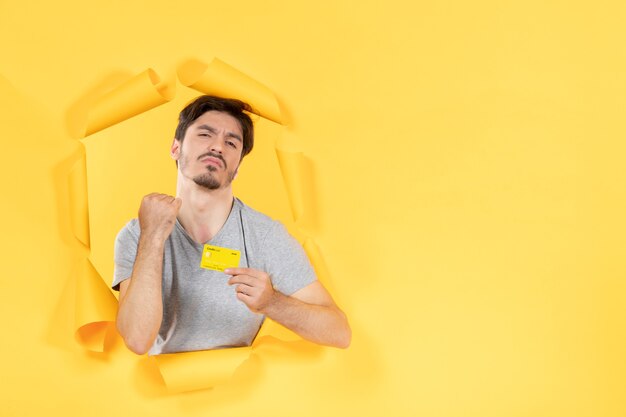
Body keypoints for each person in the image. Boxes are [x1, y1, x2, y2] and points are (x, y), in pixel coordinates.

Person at [113, 95, 351, 355]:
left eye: (231, 142)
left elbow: (339, 332)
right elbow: (136, 339)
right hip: (160, 390)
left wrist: (271, 303)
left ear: (237, 167)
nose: (217, 147)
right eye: (205, 134)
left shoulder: (265, 236)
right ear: (175, 148)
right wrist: (154, 237)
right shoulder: (138, 234)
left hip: (239, 391)